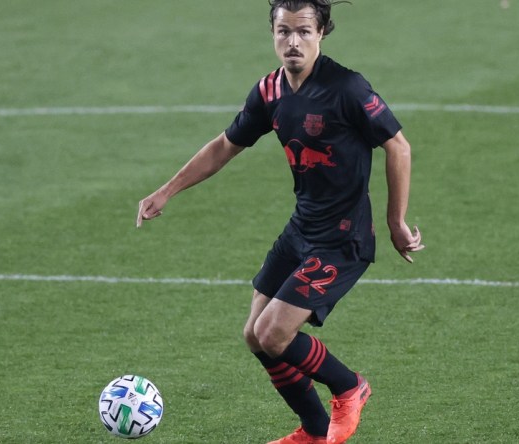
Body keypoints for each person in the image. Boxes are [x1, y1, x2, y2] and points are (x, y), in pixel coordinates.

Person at [136, 1, 424, 442]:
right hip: (301, 230)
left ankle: (349, 386)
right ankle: (314, 430)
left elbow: (399, 146)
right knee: (254, 334)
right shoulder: (269, 91)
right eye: (283, 32)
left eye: (304, 32)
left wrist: (395, 222)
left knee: (273, 333)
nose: (293, 42)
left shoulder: (346, 87)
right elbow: (224, 146)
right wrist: (165, 191)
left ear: (322, 33)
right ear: (272, 33)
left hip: (342, 239)